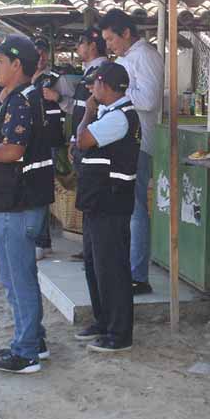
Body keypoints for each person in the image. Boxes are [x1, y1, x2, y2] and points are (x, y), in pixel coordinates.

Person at [0, 35, 55, 373]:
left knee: (16, 277)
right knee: (21, 275)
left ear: (17, 64)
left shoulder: (22, 100)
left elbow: (13, 150)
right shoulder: (24, 97)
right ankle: (34, 338)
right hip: (19, 200)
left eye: (0, 61)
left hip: (15, 203)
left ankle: (26, 352)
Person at [74, 62, 142, 353]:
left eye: (94, 83)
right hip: (98, 201)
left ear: (104, 84)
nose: (91, 89)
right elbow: (81, 144)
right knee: (95, 266)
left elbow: (83, 139)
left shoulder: (119, 118)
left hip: (110, 201)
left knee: (111, 268)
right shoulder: (110, 114)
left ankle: (119, 333)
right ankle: (103, 322)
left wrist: (87, 112)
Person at [98, 9, 163, 295]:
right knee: (124, 208)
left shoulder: (145, 56)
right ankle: (126, 267)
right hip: (121, 141)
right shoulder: (126, 59)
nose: (109, 45)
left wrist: (115, 94)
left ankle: (138, 275)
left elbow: (148, 100)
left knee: (136, 210)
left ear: (126, 33)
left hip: (138, 143)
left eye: (111, 39)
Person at [31, 39, 73, 259]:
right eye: (36, 53)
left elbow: (74, 105)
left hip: (50, 143)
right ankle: (42, 240)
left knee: (45, 191)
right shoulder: (22, 80)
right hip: (28, 143)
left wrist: (57, 97)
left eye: (43, 53)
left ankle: (41, 241)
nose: (40, 57)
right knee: (35, 191)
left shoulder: (57, 79)